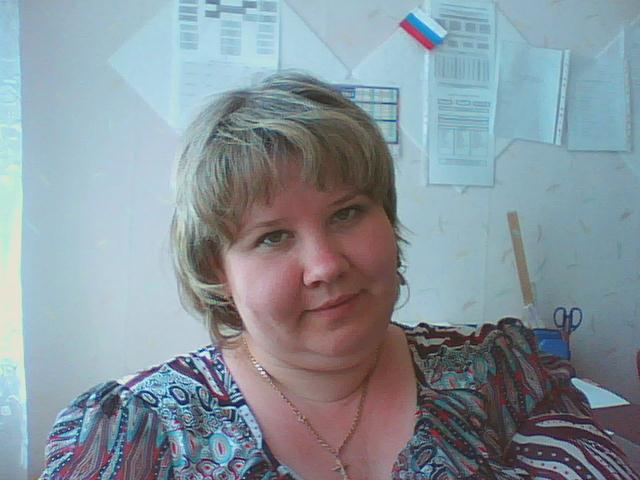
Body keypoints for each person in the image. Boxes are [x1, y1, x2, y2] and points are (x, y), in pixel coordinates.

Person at [41, 72, 638, 480]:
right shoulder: (141, 432)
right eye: (272, 237)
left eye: (347, 213)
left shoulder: (503, 377)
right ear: (215, 271)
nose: (326, 265)